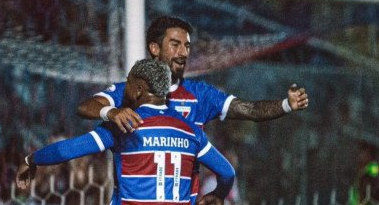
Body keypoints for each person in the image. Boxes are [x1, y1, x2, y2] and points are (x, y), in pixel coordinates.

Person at [77, 15, 309, 199]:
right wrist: (113, 111)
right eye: (175, 44)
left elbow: (248, 110)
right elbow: (87, 106)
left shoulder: (200, 95)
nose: (184, 53)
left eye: (187, 46)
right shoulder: (130, 92)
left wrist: (286, 105)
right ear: (155, 48)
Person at [17, 59, 235, 205]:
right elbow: (227, 173)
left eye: (128, 83)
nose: (124, 89)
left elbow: (68, 150)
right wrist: (218, 195)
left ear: (138, 89)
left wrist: (31, 159)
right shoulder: (190, 130)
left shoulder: (124, 126)